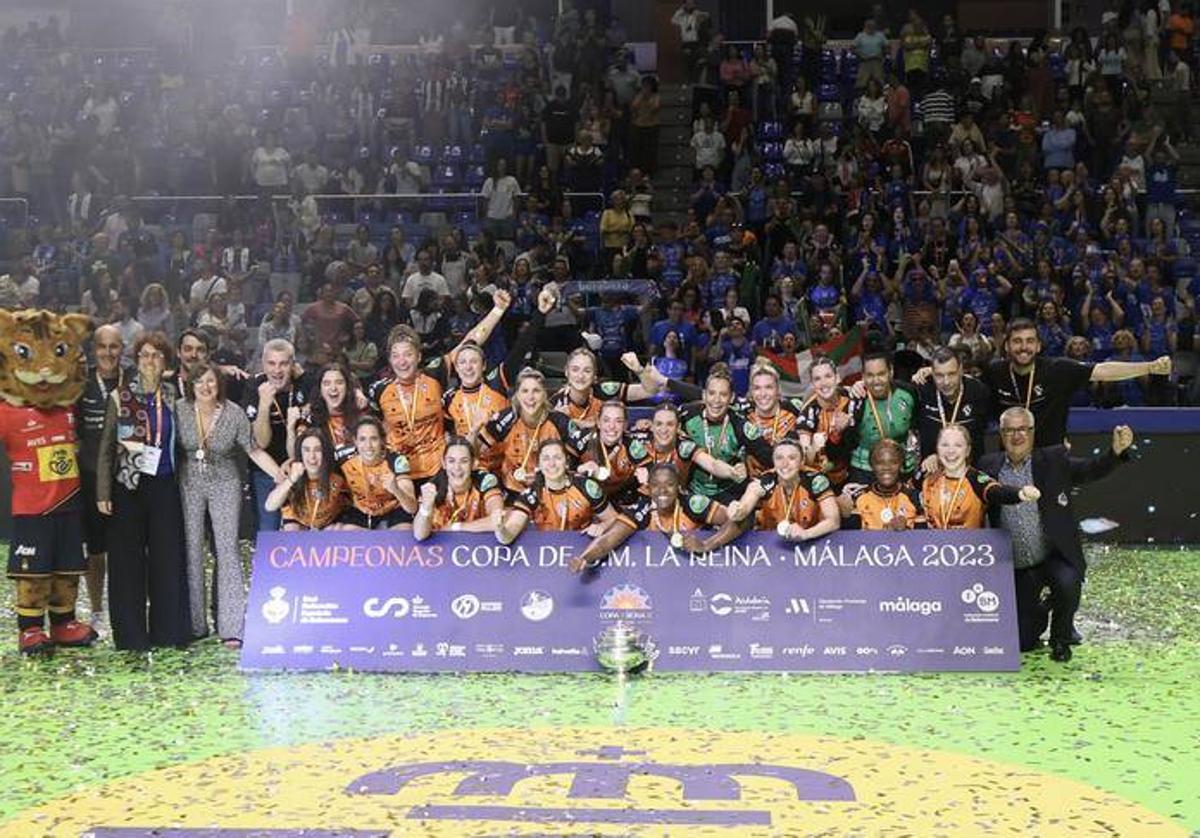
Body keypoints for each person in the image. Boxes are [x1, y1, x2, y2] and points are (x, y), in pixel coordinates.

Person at [979, 409, 1134, 661]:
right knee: (1023, 642)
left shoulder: (1053, 460)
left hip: (1052, 555)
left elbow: (1090, 469)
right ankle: (1041, 608)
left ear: (1032, 432)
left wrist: (1115, 452)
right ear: (1001, 434)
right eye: (1009, 430)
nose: (1016, 435)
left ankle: (1061, 638)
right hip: (1015, 566)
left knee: (1067, 582)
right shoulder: (988, 465)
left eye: (1022, 429)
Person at [1, 310, 97, 655]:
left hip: (69, 503)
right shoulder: (8, 412)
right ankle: (29, 629)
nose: (43, 370)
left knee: (67, 569)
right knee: (33, 573)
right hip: (32, 509)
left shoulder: (68, 408)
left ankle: (63, 623)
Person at [96, 331, 192, 651]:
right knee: (126, 563)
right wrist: (103, 492)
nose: (150, 361)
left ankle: (168, 632)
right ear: (136, 360)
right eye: (144, 355)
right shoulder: (120, 397)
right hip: (128, 487)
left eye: (156, 355)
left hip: (164, 487)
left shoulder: (174, 397)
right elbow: (107, 448)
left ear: (166, 361)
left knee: (166, 559)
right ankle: (131, 635)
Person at [175, 363, 282, 647]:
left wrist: (279, 476)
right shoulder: (180, 409)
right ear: (190, 384)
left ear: (218, 384)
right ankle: (194, 624)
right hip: (188, 483)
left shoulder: (233, 412)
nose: (205, 387)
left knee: (227, 551)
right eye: (199, 382)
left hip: (225, 482)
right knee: (191, 550)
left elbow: (254, 449)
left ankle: (232, 627)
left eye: (210, 381)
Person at [980, 318, 1170, 447]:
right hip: (1009, 459)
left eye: (1030, 341)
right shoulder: (995, 372)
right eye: (1017, 341)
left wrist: (1149, 367)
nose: (1023, 347)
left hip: (1051, 458)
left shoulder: (1057, 369)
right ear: (1006, 346)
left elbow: (1102, 371)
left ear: (1038, 346)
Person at [569, 463, 731, 572]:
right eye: (656, 485)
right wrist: (585, 558)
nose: (662, 491)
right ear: (648, 488)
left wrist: (706, 545)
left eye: (669, 484)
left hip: (702, 573)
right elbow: (607, 541)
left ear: (679, 487)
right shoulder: (642, 509)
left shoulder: (692, 504)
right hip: (661, 576)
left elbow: (741, 519)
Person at [691, 438, 841, 552]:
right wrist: (737, 510)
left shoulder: (815, 481)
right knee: (745, 519)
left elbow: (834, 521)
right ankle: (707, 546)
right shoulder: (766, 481)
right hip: (773, 543)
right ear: (773, 462)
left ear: (801, 461)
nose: (785, 464)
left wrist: (805, 534)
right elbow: (746, 503)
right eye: (779, 458)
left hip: (814, 541)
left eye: (792, 458)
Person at [76, 324, 126, 630]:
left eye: (114, 346)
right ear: (94, 350)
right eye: (102, 347)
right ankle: (96, 611)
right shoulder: (81, 385)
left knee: (127, 548)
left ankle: (125, 607)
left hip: (127, 480)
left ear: (122, 348)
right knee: (95, 550)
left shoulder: (133, 381)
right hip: (91, 479)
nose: (108, 353)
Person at [479, 368, 587, 495]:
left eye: (536, 391)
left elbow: (582, 459)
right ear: (517, 395)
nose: (530, 397)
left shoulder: (560, 422)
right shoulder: (506, 419)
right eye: (525, 391)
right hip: (512, 492)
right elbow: (475, 451)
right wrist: (475, 429)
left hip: (551, 491)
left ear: (544, 394)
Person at [496, 438, 627, 540]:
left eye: (557, 458)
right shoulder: (532, 494)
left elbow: (614, 519)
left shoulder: (586, 487)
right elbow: (510, 533)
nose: (552, 464)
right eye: (546, 459)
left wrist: (602, 526)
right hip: (548, 554)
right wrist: (501, 528)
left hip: (582, 547)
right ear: (539, 465)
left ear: (566, 462)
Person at [919, 424, 1037, 529]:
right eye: (944, 445)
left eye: (958, 445)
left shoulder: (976, 479)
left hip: (971, 550)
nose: (951, 451)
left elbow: (997, 492)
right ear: (937, 450)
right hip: (934, 550)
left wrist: (1019, 494)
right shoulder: (930, 480)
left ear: (968, 451)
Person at [245, 338, 305, 531]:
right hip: (265, 470)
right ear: (263, 365)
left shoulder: (305, 383)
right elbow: (260, 442)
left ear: (293, 365)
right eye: (271, 363)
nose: (277, 370)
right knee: (268, 530)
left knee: (302, 528)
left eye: (283, 363)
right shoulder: (254, 387)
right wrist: (264, 406)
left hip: (301, 468)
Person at [913, 346, 993, 468]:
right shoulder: (922, 390)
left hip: (970, 471)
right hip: (932, 470)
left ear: (961, 370)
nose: (946, 382)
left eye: (951, 374)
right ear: (932, 373)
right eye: (939, 375)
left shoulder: (978, 391)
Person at [412, 436, 505, 539]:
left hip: (480, 545)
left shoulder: (485, 482)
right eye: (451, 461)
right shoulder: (433, 487)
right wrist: (426, 508)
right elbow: (419, 535)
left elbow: (497, 519)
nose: (457, 467)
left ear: (474, 464)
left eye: (464, 461)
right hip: (443, 548)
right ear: (444, 463)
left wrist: (456, 527)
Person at [845, 352, 918, 483]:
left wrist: (927, 370)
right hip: (865, 470)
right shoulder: (856, 398)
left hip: (902, 466)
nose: (876, 381)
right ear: (862, 376)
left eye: (881, 374)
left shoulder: (908, 393)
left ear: (891, 372)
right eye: (870, 375)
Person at [338, 416, 418, 529]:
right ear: (355, 441)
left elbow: (412, 507)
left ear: (382, 441)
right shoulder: (344, 459)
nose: (368, 446)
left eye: (374, 439)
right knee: (348, 533)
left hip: (393, 509)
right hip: (361, 510)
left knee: (404, 531)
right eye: (362, 439)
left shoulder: (396, 460)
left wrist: (396, 490)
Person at [265, 429, 349, 531]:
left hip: (328, 524)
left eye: (317, 450)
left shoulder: (338, 473)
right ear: (300, 454)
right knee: (292, 530)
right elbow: (269, 506)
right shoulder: (290, 471)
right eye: (306, 450)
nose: (312, 456)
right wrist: (292, 479)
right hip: (297, 523)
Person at [795, 357, 855, 489]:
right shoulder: (809, 411)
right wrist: (814, 448)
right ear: (812, 384)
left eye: (828, 376)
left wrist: (860, 385)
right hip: (819, 479)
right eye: (817, 379)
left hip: (851, 474)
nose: (823, 383)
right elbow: (805, 457)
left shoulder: (851, 397)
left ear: (837, 378)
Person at [837, 440, 924, 530]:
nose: (886, 468)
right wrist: (845, 517)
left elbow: (925, 538)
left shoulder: (914, 498)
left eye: (893, 462)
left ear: (901, 465)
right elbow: (850, 539)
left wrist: (905, 531)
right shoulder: (858, 497)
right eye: (879, 463)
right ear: (871, 465)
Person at [576, 400, 649, 502]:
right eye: (606, 420)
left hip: (621, 500)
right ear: (598, 422)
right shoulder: (583, 441)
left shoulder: (632, 446)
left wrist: (646, 475)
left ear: (625, 425)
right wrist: (580, 469)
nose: (612, 426)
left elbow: (649, 469)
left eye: (618, 421)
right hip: (587, 499)